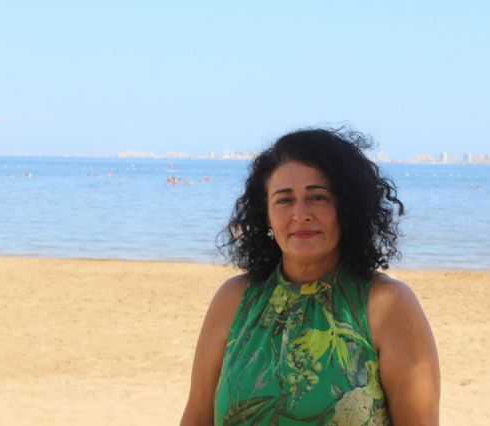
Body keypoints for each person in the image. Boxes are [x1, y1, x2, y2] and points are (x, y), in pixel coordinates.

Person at [181, 128, 440, 425]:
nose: (300, 214)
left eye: (317, 197)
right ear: (266, 214)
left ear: (346, 207)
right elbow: (197, 416)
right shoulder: (234, 300)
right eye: (284, 200)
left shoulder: (387, 305)